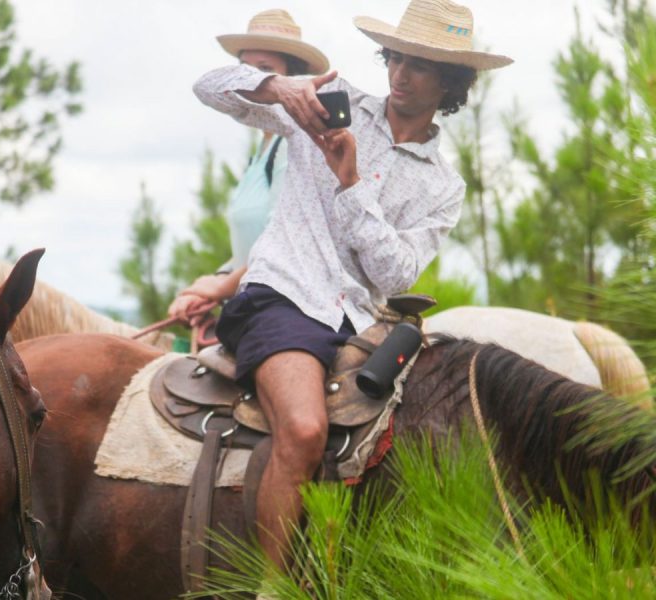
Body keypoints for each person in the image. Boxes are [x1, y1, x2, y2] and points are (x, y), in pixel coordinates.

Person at [193, 0, 513, 569]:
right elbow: (209, 86)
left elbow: (396, 276)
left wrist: (351, 184)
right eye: (395, 57)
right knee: (305, 427)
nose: (398, 74)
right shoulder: (326, 111)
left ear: (450, 81)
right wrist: (279, 88)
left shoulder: (444, 186)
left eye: (418, 64)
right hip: (281, 297)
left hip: (362, 324)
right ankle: (274, 587)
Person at [168, 9, 329, 326]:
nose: (252, 82)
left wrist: (218, 289)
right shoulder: (263, 149)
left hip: (282, 309)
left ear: (289, 80)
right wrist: (212, 283)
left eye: (265, 70)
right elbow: (251, 247)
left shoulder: (293, 146)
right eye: (245, 70)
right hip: (248, 296)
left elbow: (281, 242)